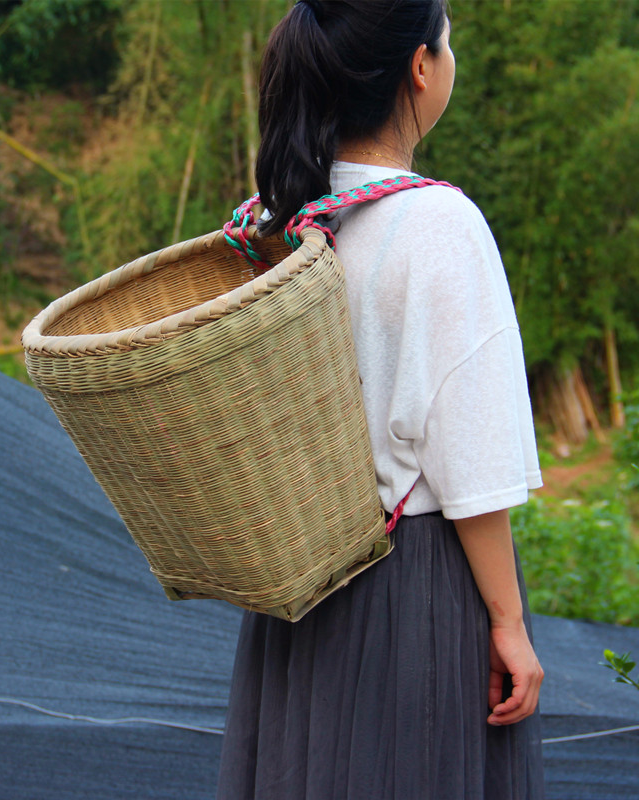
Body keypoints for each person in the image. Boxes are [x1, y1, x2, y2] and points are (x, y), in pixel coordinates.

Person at [216, 1, 545, 798]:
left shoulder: (279, 221)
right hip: (413, 593)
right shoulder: (438, 222)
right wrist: (506, 620)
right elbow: (470, 458)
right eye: (449, 40)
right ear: (420, 69)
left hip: (300, 592)